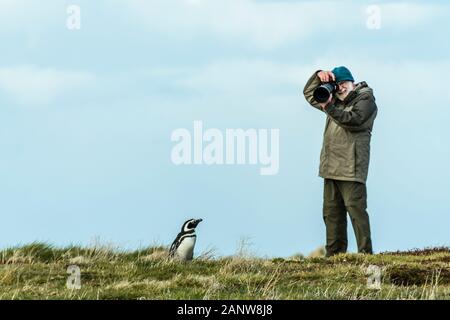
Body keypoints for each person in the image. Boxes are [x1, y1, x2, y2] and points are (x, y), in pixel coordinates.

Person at [303, 66, 378, 257]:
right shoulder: (334, 100)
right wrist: (318, 76)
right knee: (331, 215)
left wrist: (328, 106)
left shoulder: (365, 99)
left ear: (352, 82)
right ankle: (334, 257)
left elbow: (353, 120)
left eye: (344, 84)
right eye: (337, 85)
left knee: (356, 212)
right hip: (331, 167)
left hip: (352, 168)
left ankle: (365, 255)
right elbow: (309, 94)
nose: (341, 88)